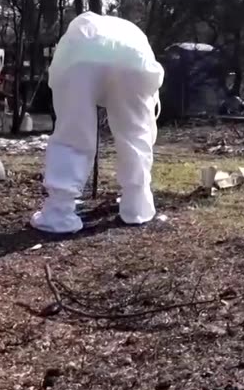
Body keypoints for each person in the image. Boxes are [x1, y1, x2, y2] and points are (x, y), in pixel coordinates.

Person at [31, 12, 164, 234]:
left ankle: (59, 212)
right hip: (134, 56)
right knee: (135, 133)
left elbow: (60, 83)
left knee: (73, 133)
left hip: (81, 53)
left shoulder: (79, 33)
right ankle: (137, 205)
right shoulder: (129, 30)